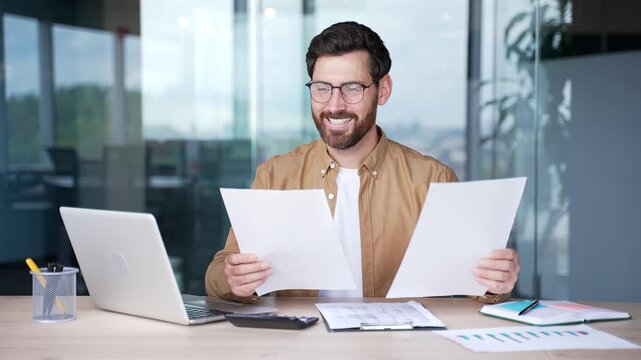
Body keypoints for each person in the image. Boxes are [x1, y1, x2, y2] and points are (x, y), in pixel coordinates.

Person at [205, 21, 519, 304]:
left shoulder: (431, 178)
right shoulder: (275, 175)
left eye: (353, 88)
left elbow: (478, 287)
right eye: (322, 88)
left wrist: (496, 281)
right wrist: (233, 279)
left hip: (401, 347)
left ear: (383, 90)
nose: (334, 105)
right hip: (302, 348)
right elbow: (220, 272)